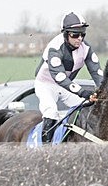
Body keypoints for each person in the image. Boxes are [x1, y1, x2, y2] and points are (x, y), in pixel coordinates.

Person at [34, 11, 103, 143]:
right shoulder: (54, 48)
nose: (80, 39)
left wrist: (102, 89)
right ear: (65, 34)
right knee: (51, 112)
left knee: (87, 107)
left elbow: (97, 72)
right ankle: (45, 151)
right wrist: (83, 92)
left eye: (83, 34)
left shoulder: (86, 48)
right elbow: (59, 77)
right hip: (46, 85)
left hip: (65, 86)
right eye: (75, 34)